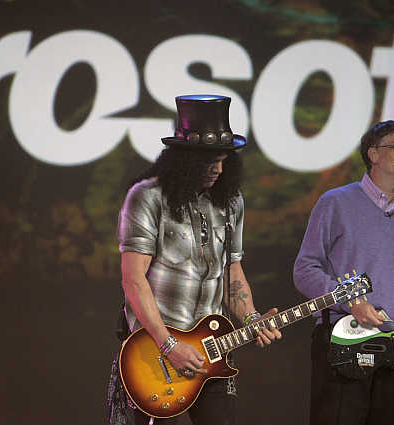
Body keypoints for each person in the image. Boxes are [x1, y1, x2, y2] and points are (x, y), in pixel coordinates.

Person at [109, 94, 281, 425]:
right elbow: (133, 279)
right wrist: (169, 343)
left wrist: (251, 318)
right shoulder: (147, 196)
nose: (218, 169)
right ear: (183, 160)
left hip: (212, 350)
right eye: (208, 161)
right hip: (155, 354)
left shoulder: (230, 202)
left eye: (223, 160)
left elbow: (232, 273)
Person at [293, 120, 394, 425]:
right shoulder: (336, 202)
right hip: (343, 341)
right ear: (373, 154)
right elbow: (305, 269)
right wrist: (350, 302)